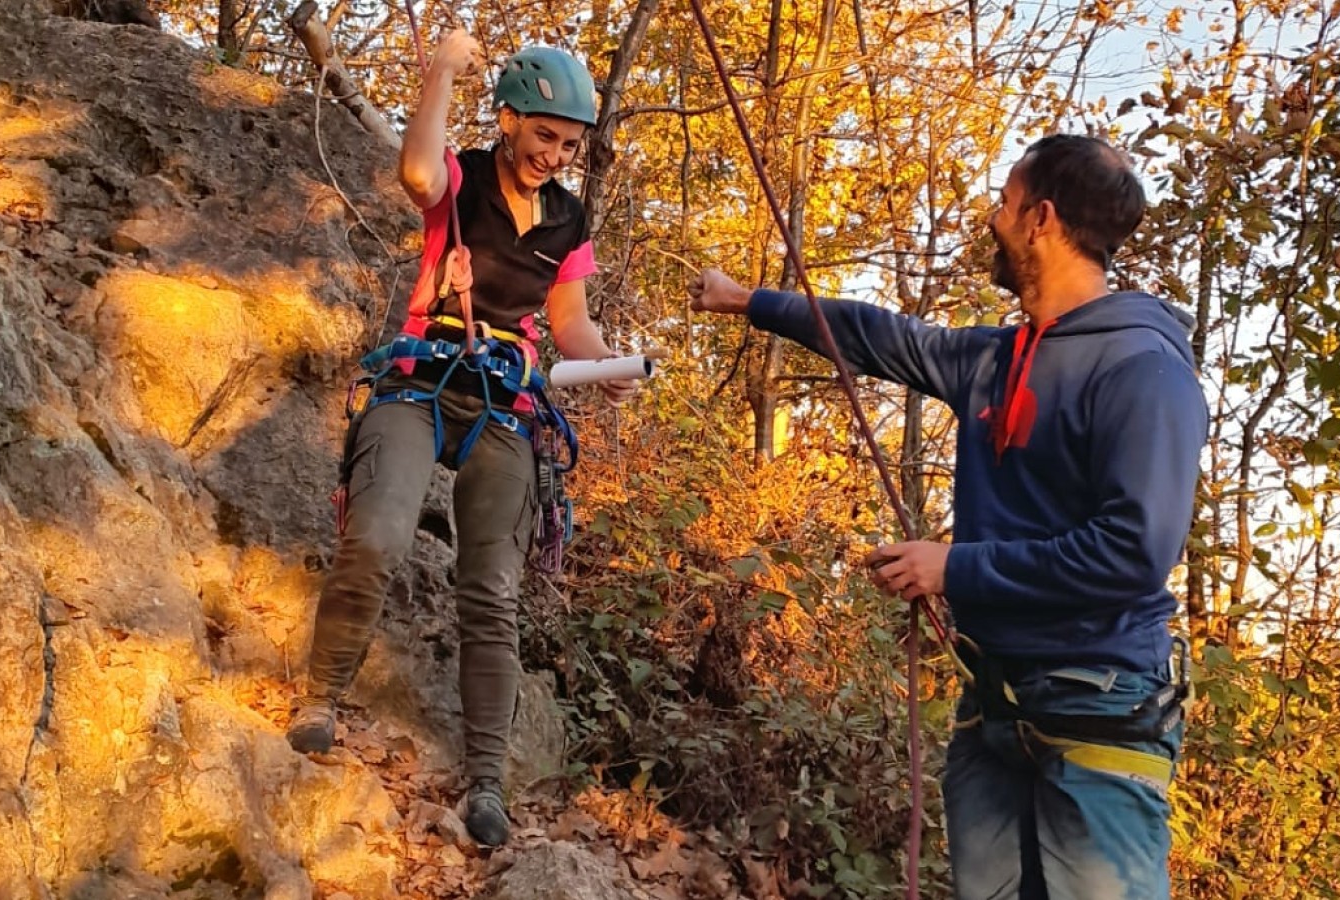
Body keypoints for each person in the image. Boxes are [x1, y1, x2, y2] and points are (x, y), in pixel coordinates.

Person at [688, 134, 1206, 899]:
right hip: (996, 704)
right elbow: (878, 336)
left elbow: (1133, 552)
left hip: (1100, 712)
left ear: (1042, 220)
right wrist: (748, 301)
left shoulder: (1142, 368)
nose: (993, 219)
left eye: (1005, 202)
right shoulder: (999, 357)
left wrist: (953, 566)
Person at [289, 29, 637, 848]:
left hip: (504, 405)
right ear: (509, 120)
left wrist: (608, 363)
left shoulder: (568, 219)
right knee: (375, 536)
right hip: (420, 381)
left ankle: (487, 779)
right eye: (544, 134)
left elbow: (571, 324)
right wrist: (442, 68)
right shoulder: (465, 180)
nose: (555, 153)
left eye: (569, 142)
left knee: (494, 593)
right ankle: (321, 698)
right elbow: (416, 171)